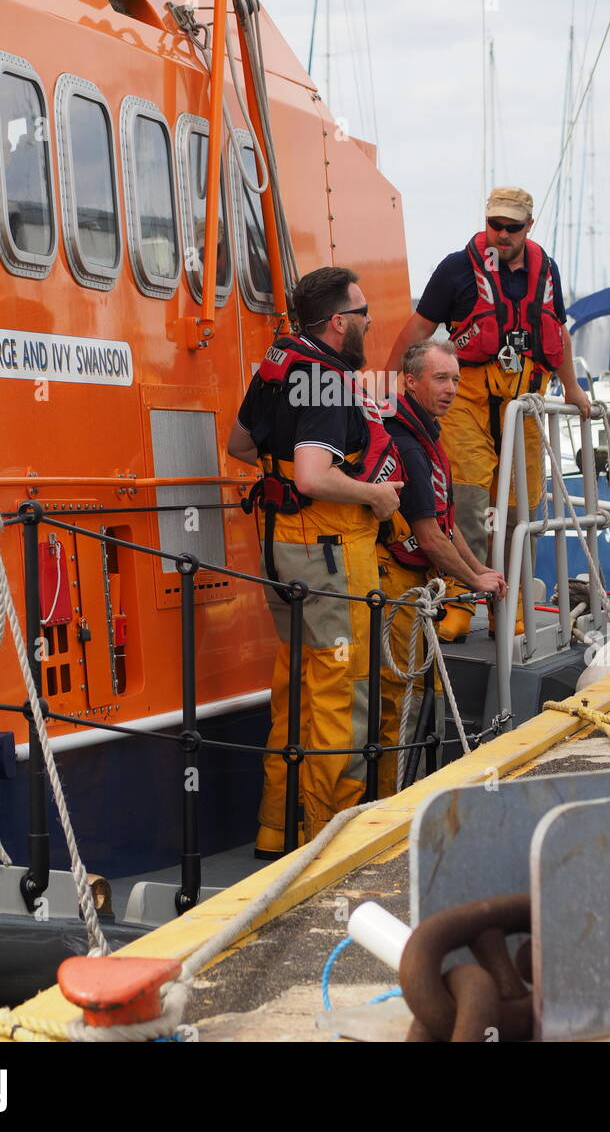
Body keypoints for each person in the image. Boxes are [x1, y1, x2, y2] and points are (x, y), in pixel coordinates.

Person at [228, 267, 403, 856]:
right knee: (343, 691)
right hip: (328, 552)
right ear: (337, 323)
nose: (369, 323)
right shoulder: (329, 381)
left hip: (279, 547)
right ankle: (331, 841)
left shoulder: (278, 365)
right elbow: (313, 474)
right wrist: (376, 496)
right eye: (362, 313)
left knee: (296, 686)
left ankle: (277, 829)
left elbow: (241, 445)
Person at [385, 188, 591, 622]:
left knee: (522, 512)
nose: (501, 234)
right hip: (469, 403)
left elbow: (558, 332)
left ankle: (514, 611)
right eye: (494, 224)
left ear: (529, 226)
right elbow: (417, 330)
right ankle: (459, 602)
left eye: (511, 227)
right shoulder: (457, 269)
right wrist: (388, 387)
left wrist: (572, 388)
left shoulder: (545, 270)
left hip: (528, 405)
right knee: (467, 502)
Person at [377, 339, 507, 794]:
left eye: (455, 379)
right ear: (410, 382)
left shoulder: (426, 432)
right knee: (399, 699)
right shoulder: (406, 442)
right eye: (440, 379)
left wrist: (479, 573)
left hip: (418, 584)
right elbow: (429, 536)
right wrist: (474, 579)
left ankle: (408, 793)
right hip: (396, 581)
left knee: (415, 693)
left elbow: (445, 525)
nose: (451, 388)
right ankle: (386, 802)